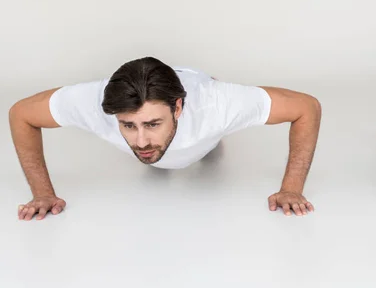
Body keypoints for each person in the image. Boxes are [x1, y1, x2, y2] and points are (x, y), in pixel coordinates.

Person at [9, 57, 322, 220]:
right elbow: (21, 114)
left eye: (152, 123)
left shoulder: (218, 104)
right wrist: (42, 194)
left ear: (178, 107)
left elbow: (306, 107)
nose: (141, 142)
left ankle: (211, 138)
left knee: (208, 141)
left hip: (202, 95)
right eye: (128, 125)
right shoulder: (91, 102)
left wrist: (291, 188)